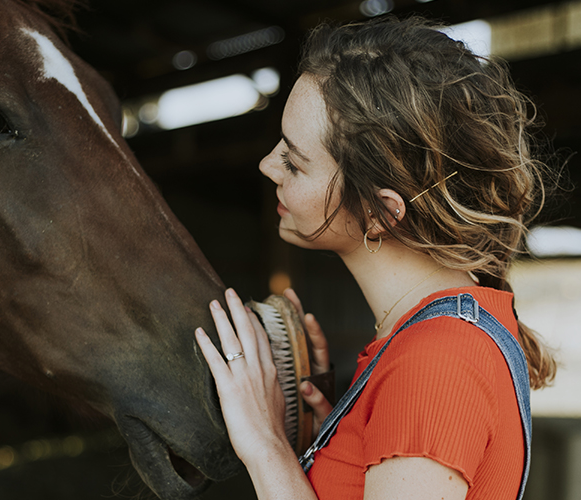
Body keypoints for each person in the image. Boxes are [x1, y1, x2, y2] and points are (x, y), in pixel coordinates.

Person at [192, 16, 557, 500]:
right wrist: (335, 443)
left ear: (380, 212)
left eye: (294, 161)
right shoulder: (426, 340)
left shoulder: (435, 364)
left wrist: (264, 444)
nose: (266, 164)